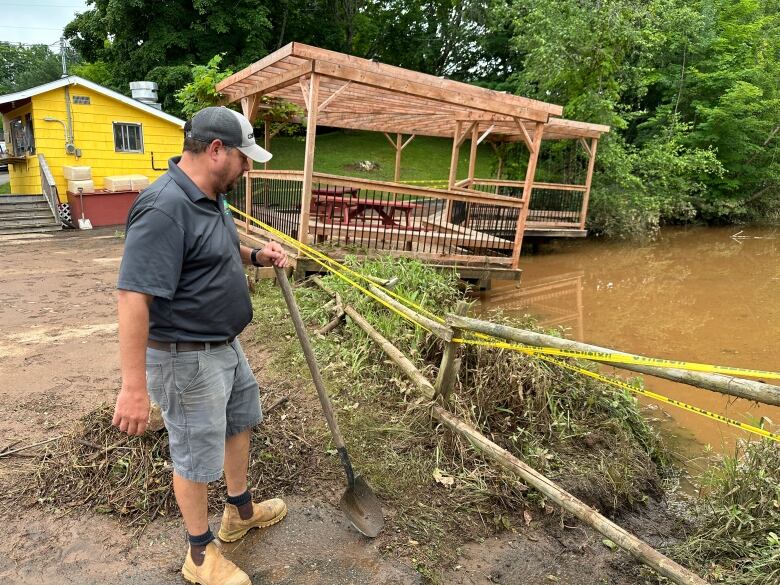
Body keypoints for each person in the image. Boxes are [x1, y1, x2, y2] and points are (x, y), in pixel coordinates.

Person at [112, 106, 288, 585]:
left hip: (225, 347)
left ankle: (239, 513)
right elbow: (133, 297)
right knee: (193, 453)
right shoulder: (164, 206)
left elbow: (218, 247)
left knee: (239, 423)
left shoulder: (209, 196)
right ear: (216, 150)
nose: (248, 167)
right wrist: (133, 388)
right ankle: (198, 555)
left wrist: (255, 255)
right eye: (244, 158)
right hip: (184, 358)